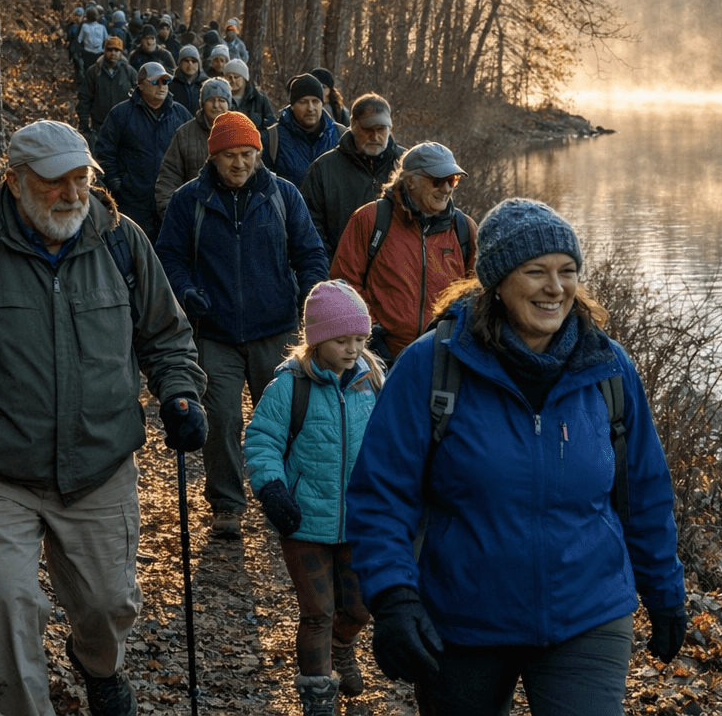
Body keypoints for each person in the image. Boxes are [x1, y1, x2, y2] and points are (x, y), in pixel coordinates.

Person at [0, 120, 209, 716]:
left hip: (99, 466)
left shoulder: (120, 243)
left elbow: (167, 336)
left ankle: (98, 667)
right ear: (16, 181)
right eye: (56, 182)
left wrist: (181, 395)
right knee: (4, 602)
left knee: (109, 606)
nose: (72, 194)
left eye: (81, 179)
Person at [345, 199, 686, 716]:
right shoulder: (432, 365)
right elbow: (381, 495)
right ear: (498, 282)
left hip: (588, 612)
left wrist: (663, 588)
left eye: (567, 272)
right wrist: (393, 595)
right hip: (465, 619)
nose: (556, 288)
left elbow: (644, 490)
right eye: (536, 272)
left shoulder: (608, 367)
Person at [154, 112, 329, 540]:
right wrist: (185, 290)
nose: (238, 164)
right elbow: (168, 258)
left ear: (258, 154)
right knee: (221, 418)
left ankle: (289, 497)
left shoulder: (282, 195)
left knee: (286, 418)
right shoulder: (187, 201)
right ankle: (227, 504)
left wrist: (312, 297)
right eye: (229, 155)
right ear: (212, 156)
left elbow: (310, 254)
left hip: (276, 329)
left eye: (247, 154)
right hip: (215, 331)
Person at [243, 281, 383, 714]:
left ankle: (344, 645)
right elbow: (261, 439)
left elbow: (393, 442)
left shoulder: (373, 382)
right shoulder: (290, 387)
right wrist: (271, 487)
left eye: (360, 340)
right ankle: (318, 696)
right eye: (342, 340)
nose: (352, 349)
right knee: (318, 612)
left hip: (359, 522)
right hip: (303, 521)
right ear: (318, 338)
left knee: (360, 608)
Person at [330, 142, 475, 361]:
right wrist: (372, 334)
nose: (446, 189)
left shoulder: (464, 229)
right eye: (437, 180)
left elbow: (477, 293)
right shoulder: (371, 220)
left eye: (452, 180)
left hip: (443, 357)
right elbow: (344, 285)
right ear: (410, 181)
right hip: (381, 358)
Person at [95, 62, 191, 239]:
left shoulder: (181, 115)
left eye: (166, 81)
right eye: (155, 82)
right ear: (140, 84)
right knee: (133, 253)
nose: (162, 87)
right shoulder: (121, 114)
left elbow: (191, 155)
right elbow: (104, 152)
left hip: (170, 201)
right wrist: (117, 183)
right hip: (133, 203)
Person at [301, 93, 401, 254]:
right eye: (368, 129)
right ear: (353, 124)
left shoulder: (405, 167)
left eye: (381, 129)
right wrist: (332, 268)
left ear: (390, 127)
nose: (375, 136)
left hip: (395, 272)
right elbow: (309, 226)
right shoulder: (324, 168)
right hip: (340, 272)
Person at [154, 76, 232, 219]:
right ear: (202, 103)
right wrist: (169, 214)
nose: (216, 105)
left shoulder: (239, 133)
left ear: (229, 104)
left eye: (221, 100)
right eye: (210, 100)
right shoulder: (184, 134)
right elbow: (169, 176)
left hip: (229, 215)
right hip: (193, 215)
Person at [266, 74, 346, 190]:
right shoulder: (273, 138)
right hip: (290, 207)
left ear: (322, 104)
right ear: (292, 105)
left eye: (315, 101)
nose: (310, 108)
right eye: (303, 102)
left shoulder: (340, 135)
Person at [77, 37, 138, 138]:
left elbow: (139, 97)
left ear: (121, 52)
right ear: (104, 51)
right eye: (110, 49)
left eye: (117, 50)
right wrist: (84, 123)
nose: (113, 53)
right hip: (100, 124)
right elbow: (85, 97)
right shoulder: (94, 72)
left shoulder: (129, 72)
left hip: (125, 125)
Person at [224, 58, 277, 131]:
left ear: (244, 78)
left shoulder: (259, 98)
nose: (233, 80)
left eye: (236, 77)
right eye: (229, 77)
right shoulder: (222, 99)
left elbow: (272, 125)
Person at [170, 44, 206, 114]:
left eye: (193, 61)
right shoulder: (171, 85)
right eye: (186, 61)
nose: (190, 64)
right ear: (180, 63)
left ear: (198, 63)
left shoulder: (205, 84)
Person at [75, 8, 108, 76]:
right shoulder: (102, 27)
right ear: (97, 16)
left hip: (87, 53)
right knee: (99, 71)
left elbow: (79, 39)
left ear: (87, 17)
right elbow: (107, 39)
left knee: (88, 71)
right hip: (100, 53)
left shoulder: (84, 26)